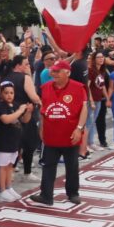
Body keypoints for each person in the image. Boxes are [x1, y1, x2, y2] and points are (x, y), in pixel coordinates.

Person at [32, 61, 87, 206]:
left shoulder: (78, 87)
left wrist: (79, 128)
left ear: (67, 73)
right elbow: (43, 110)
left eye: (57, 71)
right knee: (48, 165)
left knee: (72, 166)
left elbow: (84, 109)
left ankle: (73, 193)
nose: (53, 74)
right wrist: (41, 127)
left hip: (70, 135)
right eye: (53, 71)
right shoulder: (45, 87)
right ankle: (46, 195)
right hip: (51, 134)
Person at [0, 82, 30, 201]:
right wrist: (20, 111)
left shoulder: (15, 105)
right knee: (2, 166)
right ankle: (2, 189)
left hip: (14, 142)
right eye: (6, 93)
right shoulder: (1, 106)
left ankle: (9, 187)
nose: (9, 95)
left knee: (10, 166)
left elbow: (24, 120)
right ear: (1, 94)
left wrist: (28, 111)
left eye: (11, 93)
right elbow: (6, 119)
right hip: (3, 141)